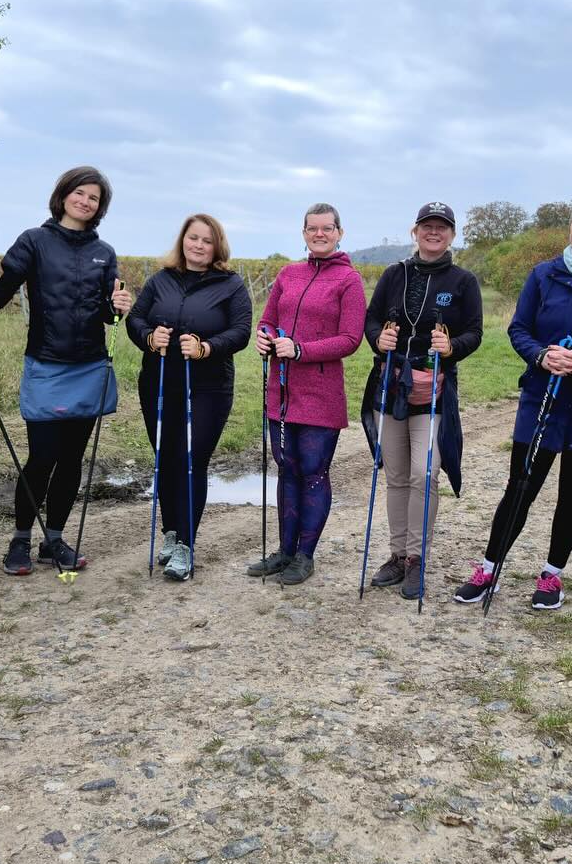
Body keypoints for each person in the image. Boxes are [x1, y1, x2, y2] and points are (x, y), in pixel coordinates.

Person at [0, 166, 133, 575]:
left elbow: (107, 314)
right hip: (46, 365)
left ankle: (54, 541)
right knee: (42, 458)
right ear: (63, 195)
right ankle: (20, 540)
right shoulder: (34, 241)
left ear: (100, 207)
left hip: (89, 366)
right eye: (80, 193)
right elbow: (4, 286)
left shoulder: (104, 253)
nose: (85, 201)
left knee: (72, 460)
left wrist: (118, 308)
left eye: (94, 198)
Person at [456, 195, 572, 611]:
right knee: (520, 485)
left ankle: (552, 575)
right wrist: (541, 355)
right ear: (570, 227)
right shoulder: (543, 275)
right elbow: (519, 329)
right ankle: (489, 569)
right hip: (542, 396)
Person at [360, 201, 483, 599]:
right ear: (415, 231)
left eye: (441, 227)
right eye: (427, 226)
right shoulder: (394, 274)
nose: (434, 232)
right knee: (395, 476)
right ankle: (397, 555)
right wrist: (378, 338)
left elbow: (475, 332)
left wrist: (452, 347)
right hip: (390, 387)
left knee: (424, 474)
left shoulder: (463, 281)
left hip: (433, 391)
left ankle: (416, 558)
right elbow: (371, 319)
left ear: (452, 234)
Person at [246, 202, 367, 586]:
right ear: (303, 233)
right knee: (287, 469)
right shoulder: (289, 273)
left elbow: (351, 339)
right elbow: (268, 320)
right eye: (312, 228)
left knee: (313, 472)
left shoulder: (349, 280)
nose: (319, 234)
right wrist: (265, 337)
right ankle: (284, 551)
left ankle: (305, 555)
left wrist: (301, 350)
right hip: (281, 389)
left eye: (327, 228)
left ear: (339, 233)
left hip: (320, 392)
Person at [126, 213, 252, 581]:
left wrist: (206, 347)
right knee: (165, 458)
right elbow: (136, 319)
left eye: (206, 240)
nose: (198, 245)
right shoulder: (161, 279)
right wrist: (150, 338)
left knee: (191, 459)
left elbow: (241, 332)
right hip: (159, 382)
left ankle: (186, 544)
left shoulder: (231, 285)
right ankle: (170, 531)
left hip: (208, 386)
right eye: (193, 237)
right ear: (183, 240)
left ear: (217, 247)